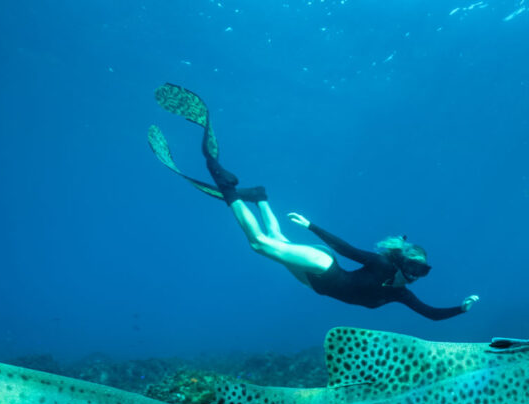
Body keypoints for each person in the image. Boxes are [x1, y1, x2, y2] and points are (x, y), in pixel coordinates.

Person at [150, 84, 479, 321]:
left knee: (276, 241)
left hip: (314, 283)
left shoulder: (400, 293)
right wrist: (311, 225)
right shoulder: (381, 266)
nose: (416, 275)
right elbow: (347, 250)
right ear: (400, 262)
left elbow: (431, 315)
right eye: (413, 267)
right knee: (260, 245)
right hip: (323, 266)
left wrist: (461, 308)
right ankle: (226, 185)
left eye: (422, 271)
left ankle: (260, 197)